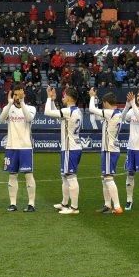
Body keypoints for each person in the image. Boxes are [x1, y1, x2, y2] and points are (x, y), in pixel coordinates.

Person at [0, 83, 37, 212]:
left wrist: (22, 102)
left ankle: (31, 204)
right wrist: (9, 104)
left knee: (28, 175)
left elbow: (29, 118)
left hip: (25, 147)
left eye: (19, 94)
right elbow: (0, 120)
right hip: (11, 147)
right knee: (12, 175)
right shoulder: (9, 107)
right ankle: (13, 203)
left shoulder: (31, 108)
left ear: (24, 94)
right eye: (15, 94)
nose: (17, 97)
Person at [45, 86, 83, 215]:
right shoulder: (76, 110)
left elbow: (47, 112)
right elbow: (58, 116)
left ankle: (74, 208)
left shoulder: (69, 111)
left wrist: (48, 98)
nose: (62, 97)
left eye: (64, 95)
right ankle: (64, 203)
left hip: (70, 148)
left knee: (71, 177)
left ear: (69, 97)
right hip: (72, 147)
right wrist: (52, 100)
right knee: (65, 177)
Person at [87, 88, 123, 215]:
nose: (103, 105)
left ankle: (117, 206)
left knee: (108, 178)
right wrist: (95, 98)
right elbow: (97, 116)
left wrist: (92, 96)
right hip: (110, 148)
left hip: (109, 149)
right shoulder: (116, 113)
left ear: (107, 102)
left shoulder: (111, 113)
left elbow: (91, 109)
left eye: (103, 103)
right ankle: (107, 205)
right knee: (105, 178)